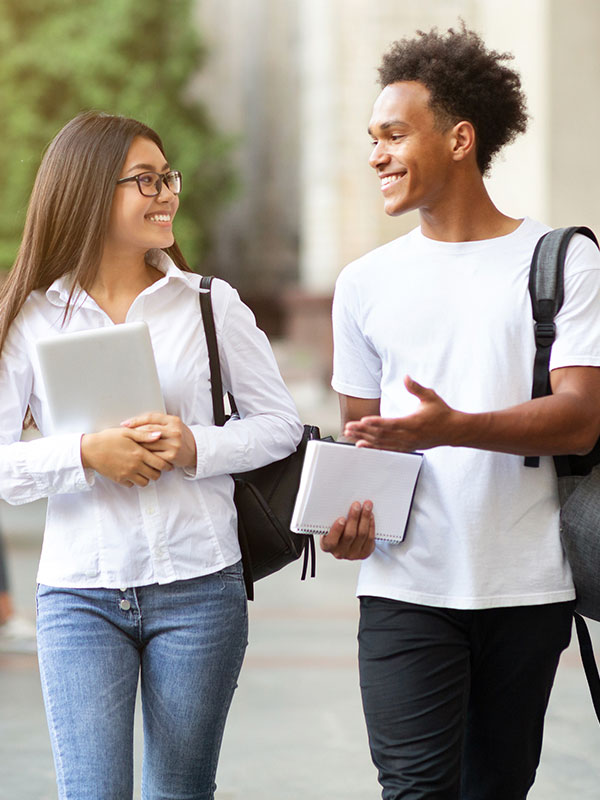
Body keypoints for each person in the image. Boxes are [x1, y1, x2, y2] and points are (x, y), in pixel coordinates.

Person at [320, 25, 600, 800]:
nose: (375, 154)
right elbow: (366, 446)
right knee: (413, 790)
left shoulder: (564, 260)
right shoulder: (365, 283)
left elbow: (580, 418)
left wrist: (455, 428)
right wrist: (348, 524)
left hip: (527, 589)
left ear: (460, 138)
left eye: (394, 134)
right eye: (370, 138)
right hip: (404, 588)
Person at [0, 111, 302, 800]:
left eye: (168, 177)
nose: (166, 192)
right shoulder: (31, 317)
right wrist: (84, 454)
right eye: (146, 179)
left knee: (180, 791)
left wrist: (198, 445)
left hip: (200, 587)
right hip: (80, 594)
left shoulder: (209, 305)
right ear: (86, 192)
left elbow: (280, 426)